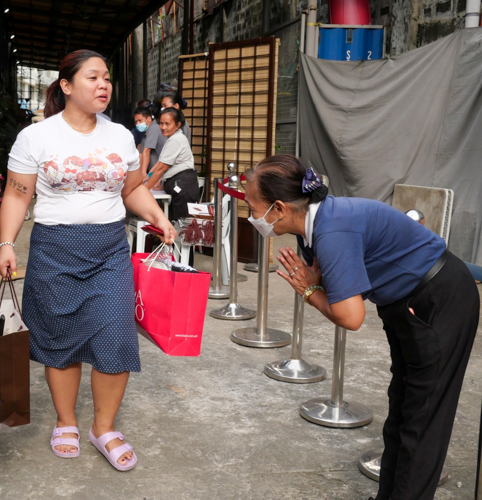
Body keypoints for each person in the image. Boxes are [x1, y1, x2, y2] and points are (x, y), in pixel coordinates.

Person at [243, 155, 479, 500]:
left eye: (253, 206)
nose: (251, 215)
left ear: (278, 207)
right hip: (405, 304)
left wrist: (308, 291)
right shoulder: (313, 226)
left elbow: (351, 316)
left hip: (438, 300)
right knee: (402, 409)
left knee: (422, 421)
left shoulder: (332, 229)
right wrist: (316, 283)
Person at [0, 49, 176, 471]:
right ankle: (66, 421)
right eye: (93, 77)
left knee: (115, 338)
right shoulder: (36, 137)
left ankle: (105, 428)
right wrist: (6, 243)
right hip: (54, 249)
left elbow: (132, 189)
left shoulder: (118, 137)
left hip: (109, 249)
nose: (104, 85)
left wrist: (158, 217)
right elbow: (18, 194)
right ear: (66, 85)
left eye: (107, 78)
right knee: (62, 340)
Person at [145, 108, 199, 222]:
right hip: (181, 185)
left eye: (167, 124)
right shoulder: (172, 138)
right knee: (177, 224)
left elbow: (161, 168)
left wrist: (145, 190)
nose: (163, 127)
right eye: (161, 123)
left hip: (184, 186)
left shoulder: (176, 140)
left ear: (178, 124)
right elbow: (161, 164)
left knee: (181, 227)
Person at [133, 107, 166, 182]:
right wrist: (139, 174)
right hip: (154, 172)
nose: (138, 124)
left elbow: (147, 150)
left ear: (149, 119)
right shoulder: (146, 132)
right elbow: (141, 153)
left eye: (140, 120)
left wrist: (143, 172)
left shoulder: (153, 128)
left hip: (160, 172)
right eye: (136, 122)